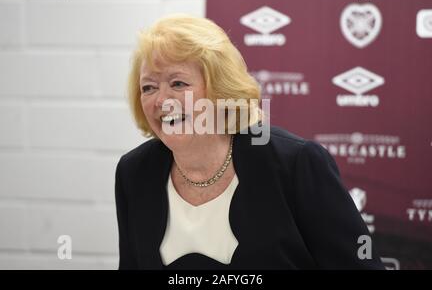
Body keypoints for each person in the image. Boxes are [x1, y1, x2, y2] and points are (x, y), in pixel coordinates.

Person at [115, 14, 385, 270]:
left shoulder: (294, 164)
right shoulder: (134, 172)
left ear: (220, 90)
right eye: (148, 87)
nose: (161, 101)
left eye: (177, 83)